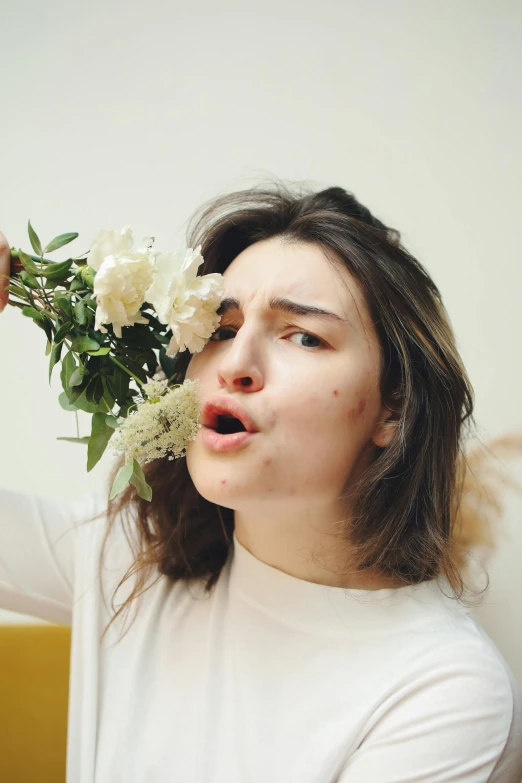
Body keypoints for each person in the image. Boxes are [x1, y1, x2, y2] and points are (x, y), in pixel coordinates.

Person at [1, 181, 521, 783]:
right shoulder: (128, 561)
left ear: (393, 410)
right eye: (221, 329)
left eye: (304, 336)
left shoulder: (446, 693)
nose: (237, 365)